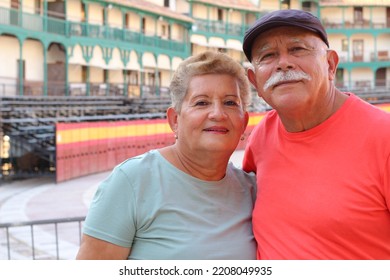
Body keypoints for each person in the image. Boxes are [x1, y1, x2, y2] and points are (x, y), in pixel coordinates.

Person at [76, 51, 257, 260]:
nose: (217, 113)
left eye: (230, 103)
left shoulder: (252, 190)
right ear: (174, 120)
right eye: (201, 103)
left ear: (243, 122)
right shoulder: (132, 182)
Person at [242, 9, 390, 259]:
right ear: (255, 82)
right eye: (268, 55)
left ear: (330, 64)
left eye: (298, 49)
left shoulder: (383, 137)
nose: (283, 63)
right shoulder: (261, 138)